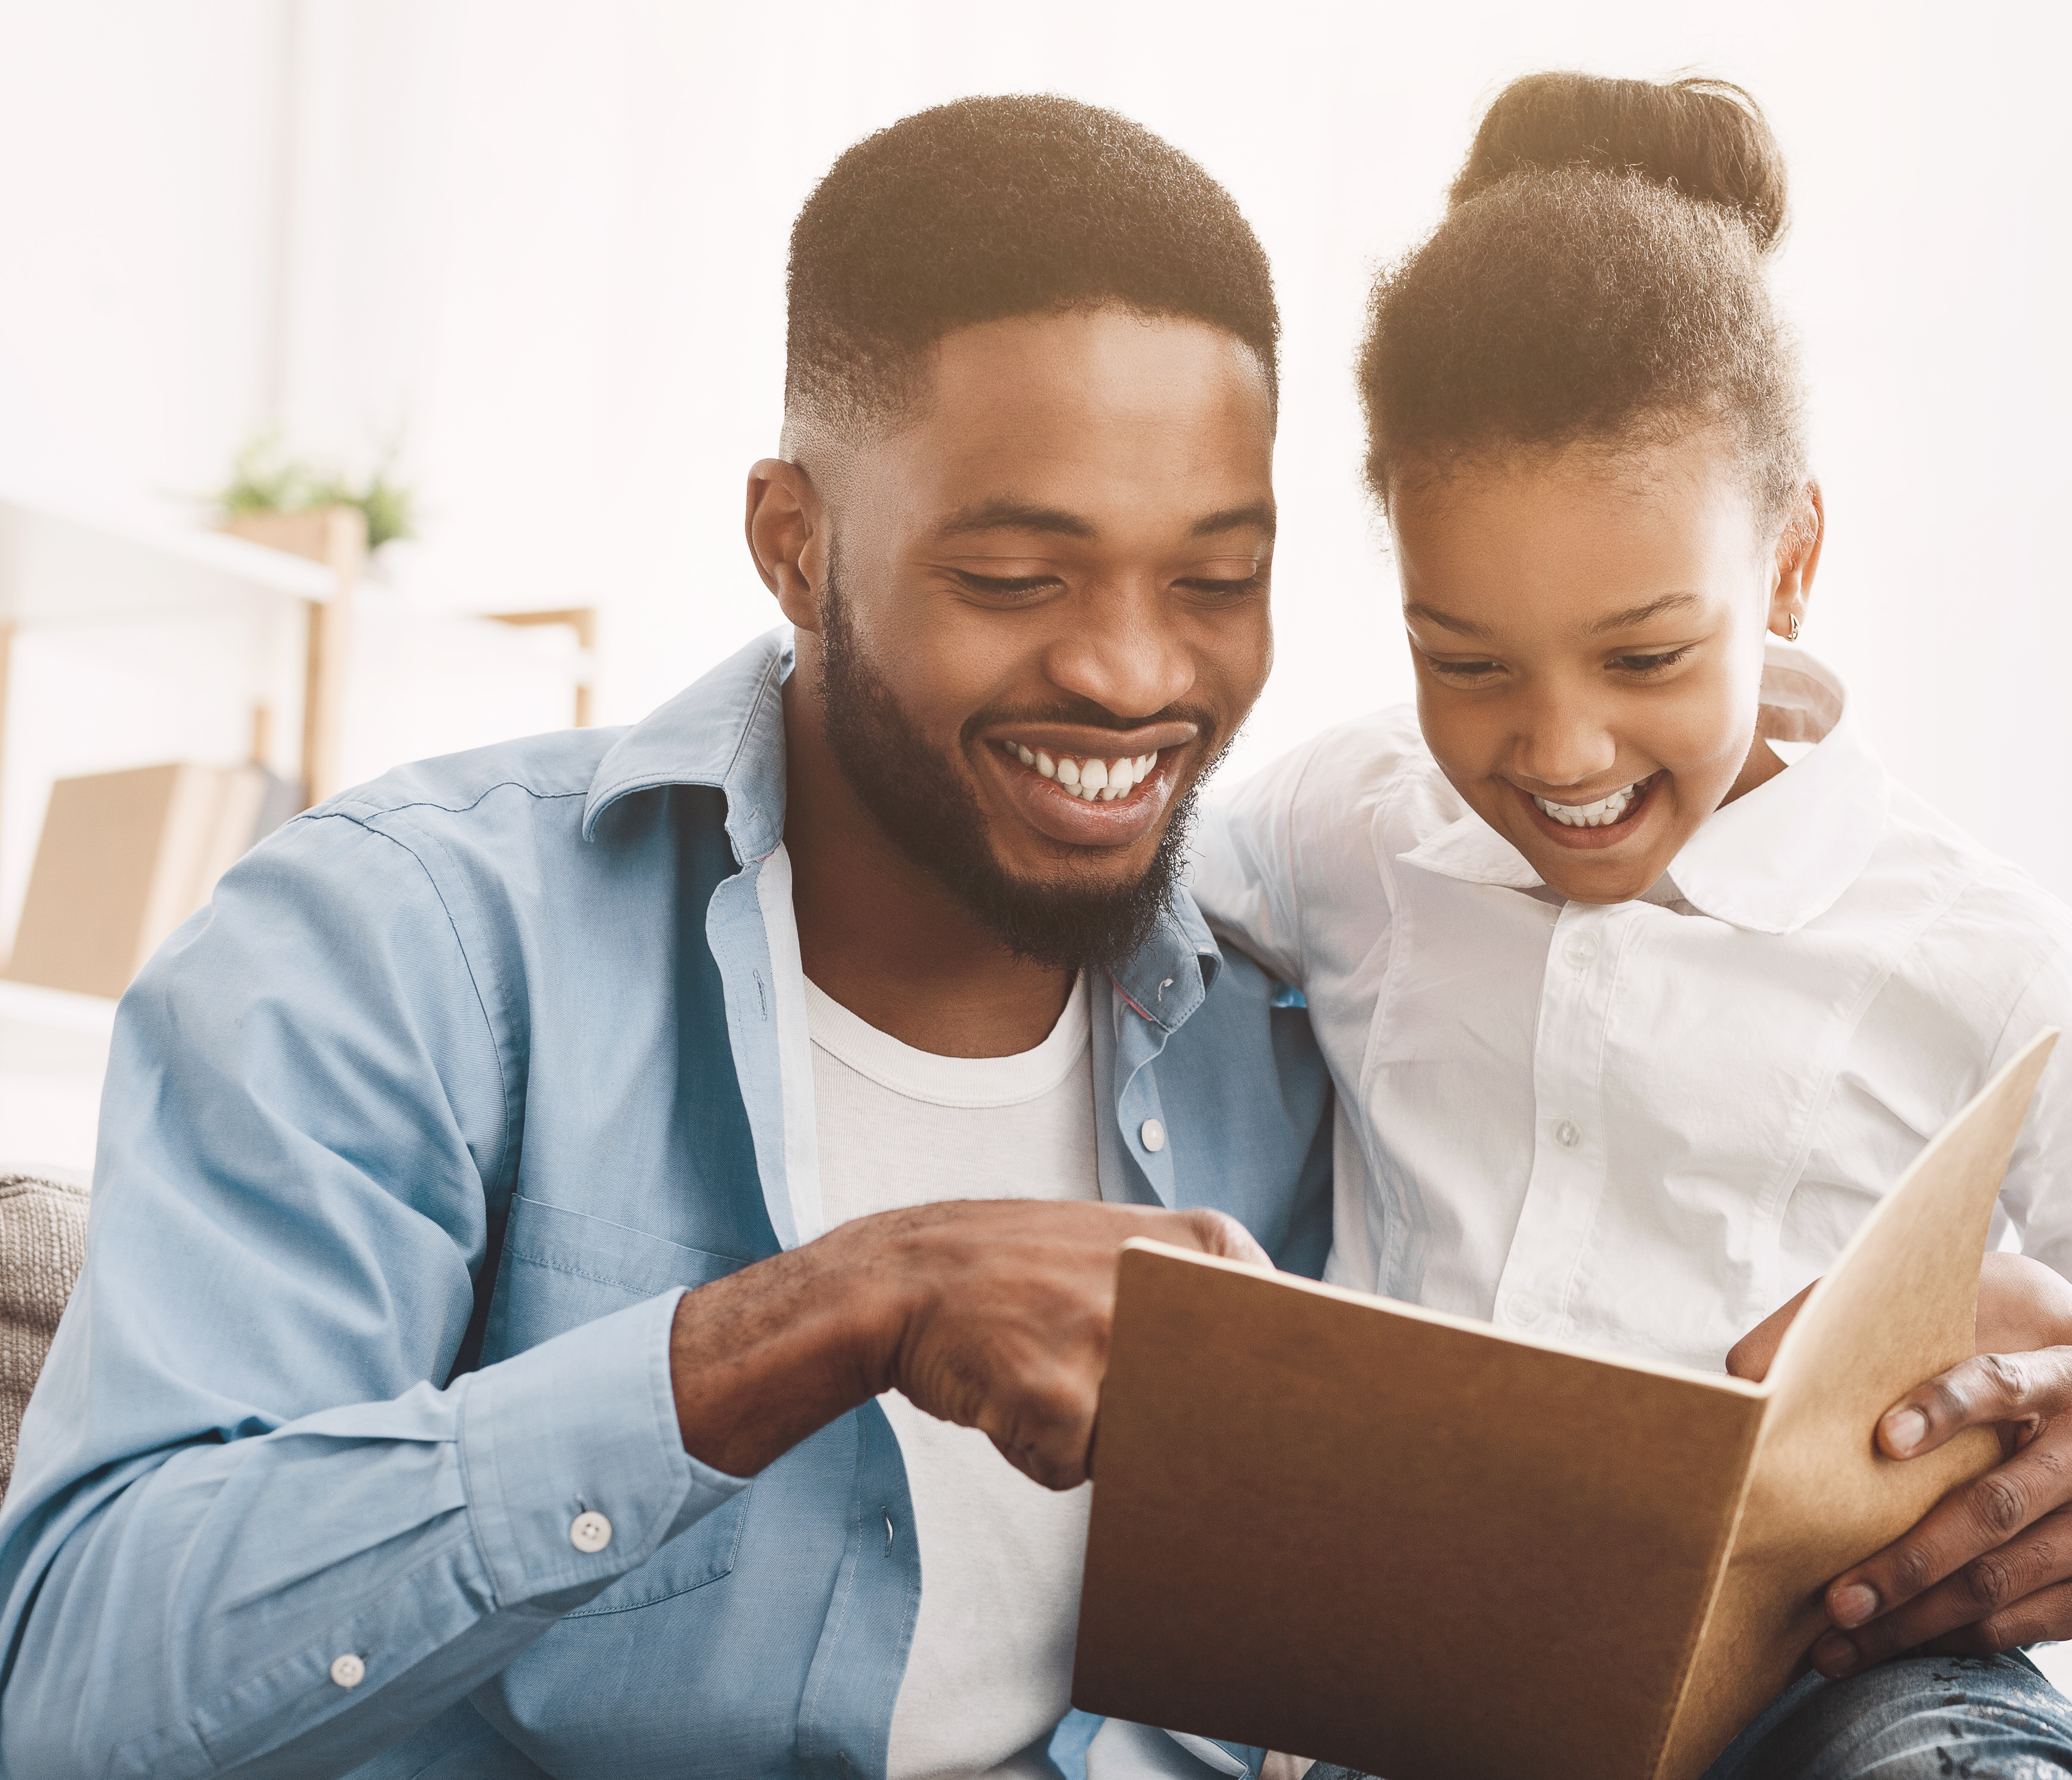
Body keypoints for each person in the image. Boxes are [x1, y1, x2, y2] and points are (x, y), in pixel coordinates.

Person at [0, 96, 1331, 1780]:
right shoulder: (398, 945)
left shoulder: (1280, 1045)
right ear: (795, 542)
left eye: (1215, 581)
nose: (1134, 675)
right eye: (1013, 576)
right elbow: (72, 1692)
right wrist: (828, 1312)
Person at [1195, 73, 2072, 1780]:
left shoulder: (1981, 952)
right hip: (1427, 1680)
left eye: (1644, 656)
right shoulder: (1343, 827)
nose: (1557, 752)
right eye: (1466, 661)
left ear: (1786, 564)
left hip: (1850, 1677)